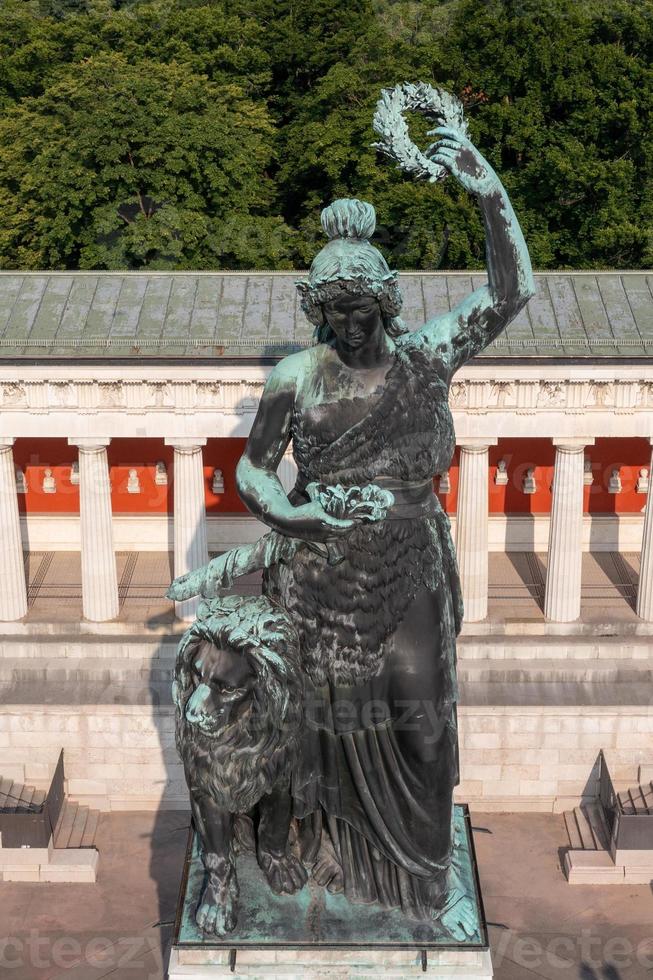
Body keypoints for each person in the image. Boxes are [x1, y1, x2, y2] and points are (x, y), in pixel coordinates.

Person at [169, 125, 535, 939]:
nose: (350, 328)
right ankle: (310, 856)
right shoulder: (294, 378)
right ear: (316, 310)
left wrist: (484, 187)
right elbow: (254, 471)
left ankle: (422, 881)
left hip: (408, 568)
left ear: (387, 301)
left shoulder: (427, 356)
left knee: (421, 720)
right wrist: (300, 514)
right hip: (318, 572)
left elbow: (512, 292)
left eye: (362, 311)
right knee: (310, 732)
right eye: (333, 314)